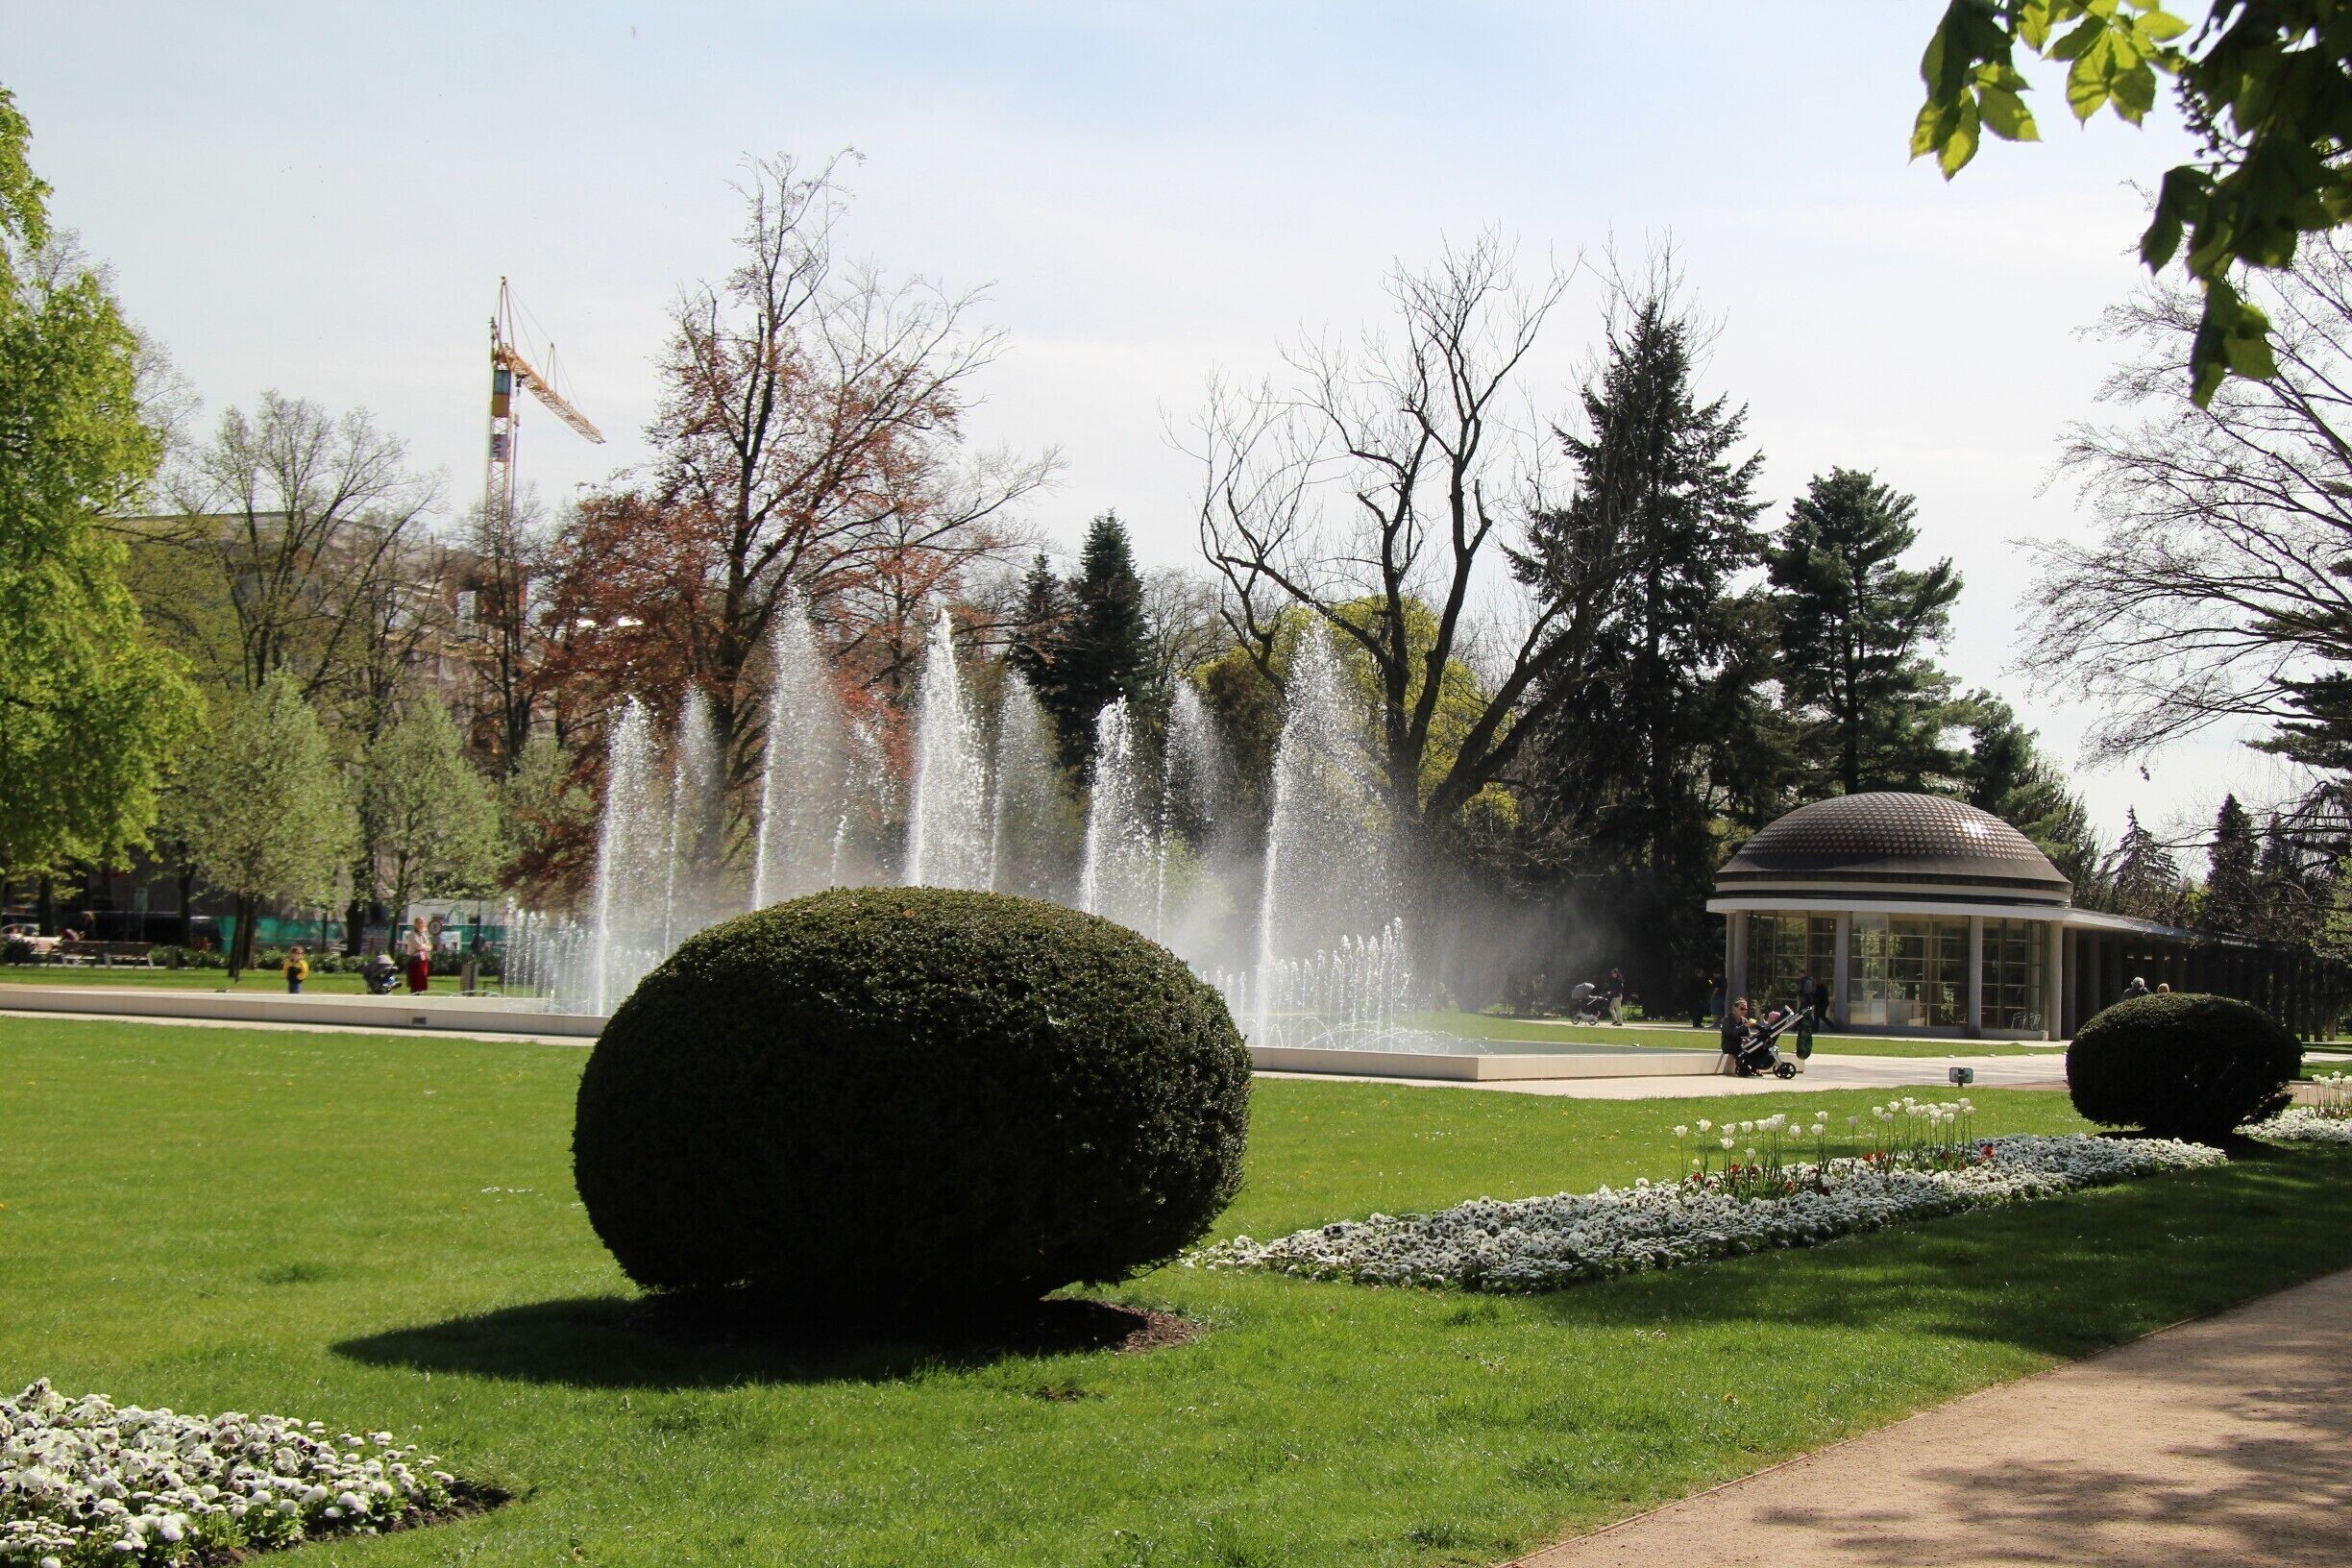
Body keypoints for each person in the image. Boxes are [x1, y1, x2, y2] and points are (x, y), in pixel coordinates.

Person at [404, 917, 431, 994]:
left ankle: (420, 994)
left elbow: (429, 946)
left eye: (422, 923)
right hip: (415, 960)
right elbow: (418, 946)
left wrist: (425, 947)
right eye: (419, 923)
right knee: (416, 981)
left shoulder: (423, 935)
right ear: (415, 924)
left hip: (423, 959)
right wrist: (425, 946)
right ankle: (414, 995)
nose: (421, 924)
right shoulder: (413, 934)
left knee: (422, 979)